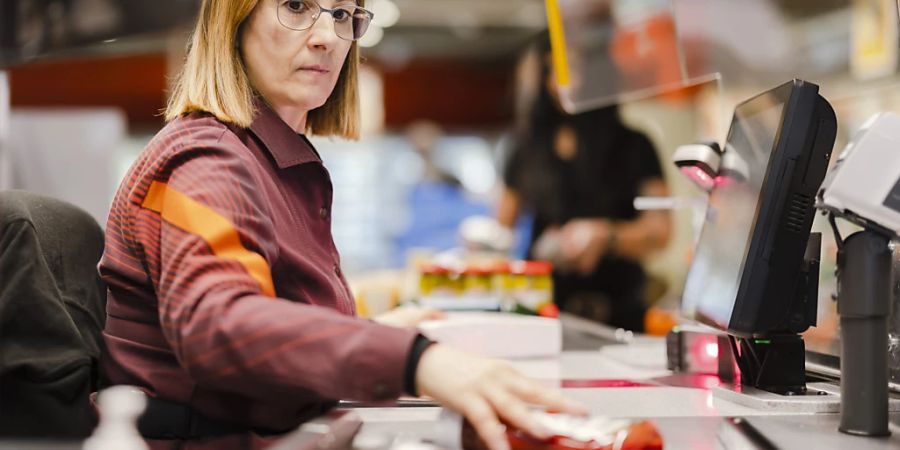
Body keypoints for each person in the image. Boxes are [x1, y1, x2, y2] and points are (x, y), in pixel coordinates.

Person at [98, 1, 585, 448]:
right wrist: (413, 359)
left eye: (344, 14)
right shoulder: (205, 160)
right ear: (234, 19)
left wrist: (368, 332)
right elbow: (220, 325)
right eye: (295, 6)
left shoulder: (269, 160)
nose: (327, 35)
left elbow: (271, 319)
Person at [497, 33, 672, 332]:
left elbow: (661, 231)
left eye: (578, 68)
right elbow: (502, 232)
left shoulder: (635, 145)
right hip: (542, 310)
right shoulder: (524, 148)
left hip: (619, 309)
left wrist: (607, 236)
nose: (568, 82)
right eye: (556, 69)